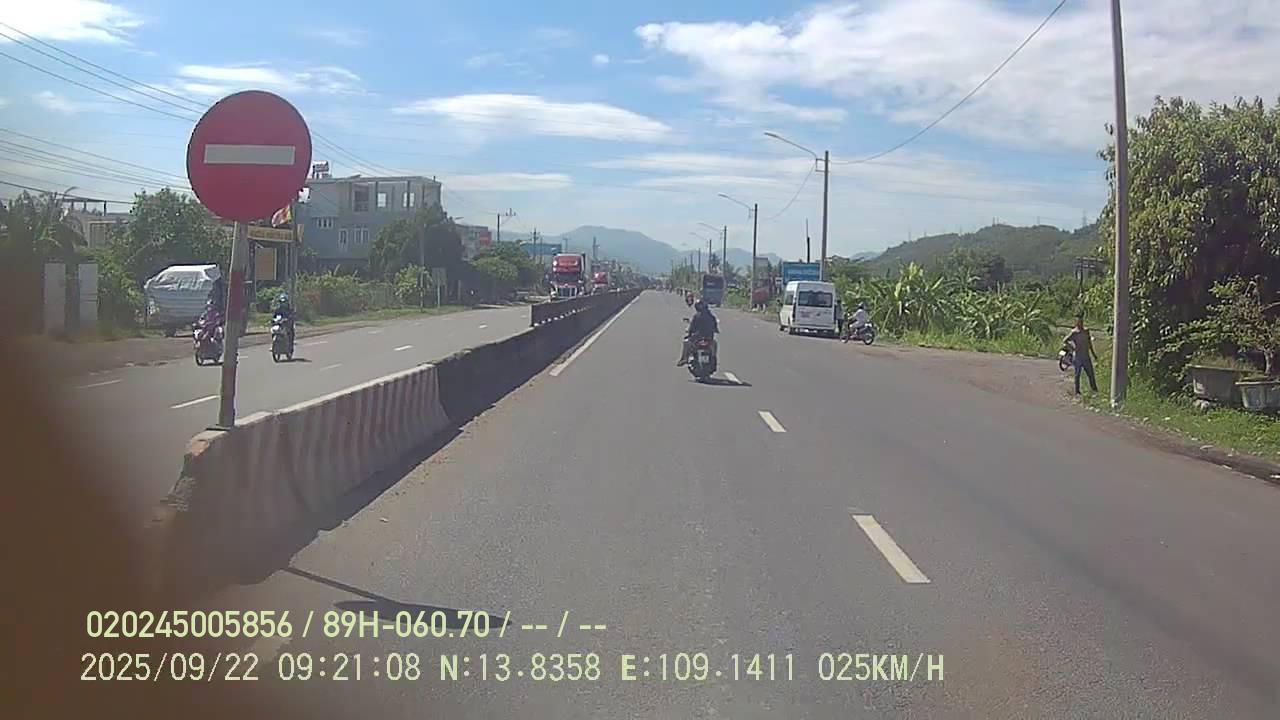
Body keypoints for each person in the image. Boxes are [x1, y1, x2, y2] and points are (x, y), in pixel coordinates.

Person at [677, 300, 719, 366]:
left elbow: (691, 328)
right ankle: (713, 359)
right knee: (714, 344)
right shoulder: (712, 317)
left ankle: (684, 359)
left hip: (698, 337)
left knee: (686, 342)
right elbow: (715, 328)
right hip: (709, 337)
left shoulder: (696, 316)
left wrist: (689, 334)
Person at [1065, 315, 1099, 394]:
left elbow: (1089, 343)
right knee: (1077, 374)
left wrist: (1093, 354)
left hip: (1086, 356)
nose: (1081, 323)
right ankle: (1077, 391)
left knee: (1090, 373)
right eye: (1079, 322)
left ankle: (1094, 389)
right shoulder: (1074, 332)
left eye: (1082, 322)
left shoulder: (1086, 331)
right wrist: (1072, 348)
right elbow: (1065, 340)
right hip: (1078, 356)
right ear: (1076, 323)